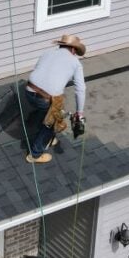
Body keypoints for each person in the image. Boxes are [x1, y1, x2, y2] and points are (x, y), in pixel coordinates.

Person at [22, 34, 86, 164]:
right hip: (45, 99)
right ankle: (35, 155)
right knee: (51, 124)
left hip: (29, 90)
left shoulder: (47, 53)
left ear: (61, 45)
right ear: (73, 49)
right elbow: (80, 89)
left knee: (46, 111)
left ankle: (48, 137)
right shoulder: (75, 63)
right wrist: (79, 113)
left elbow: (40, 70)